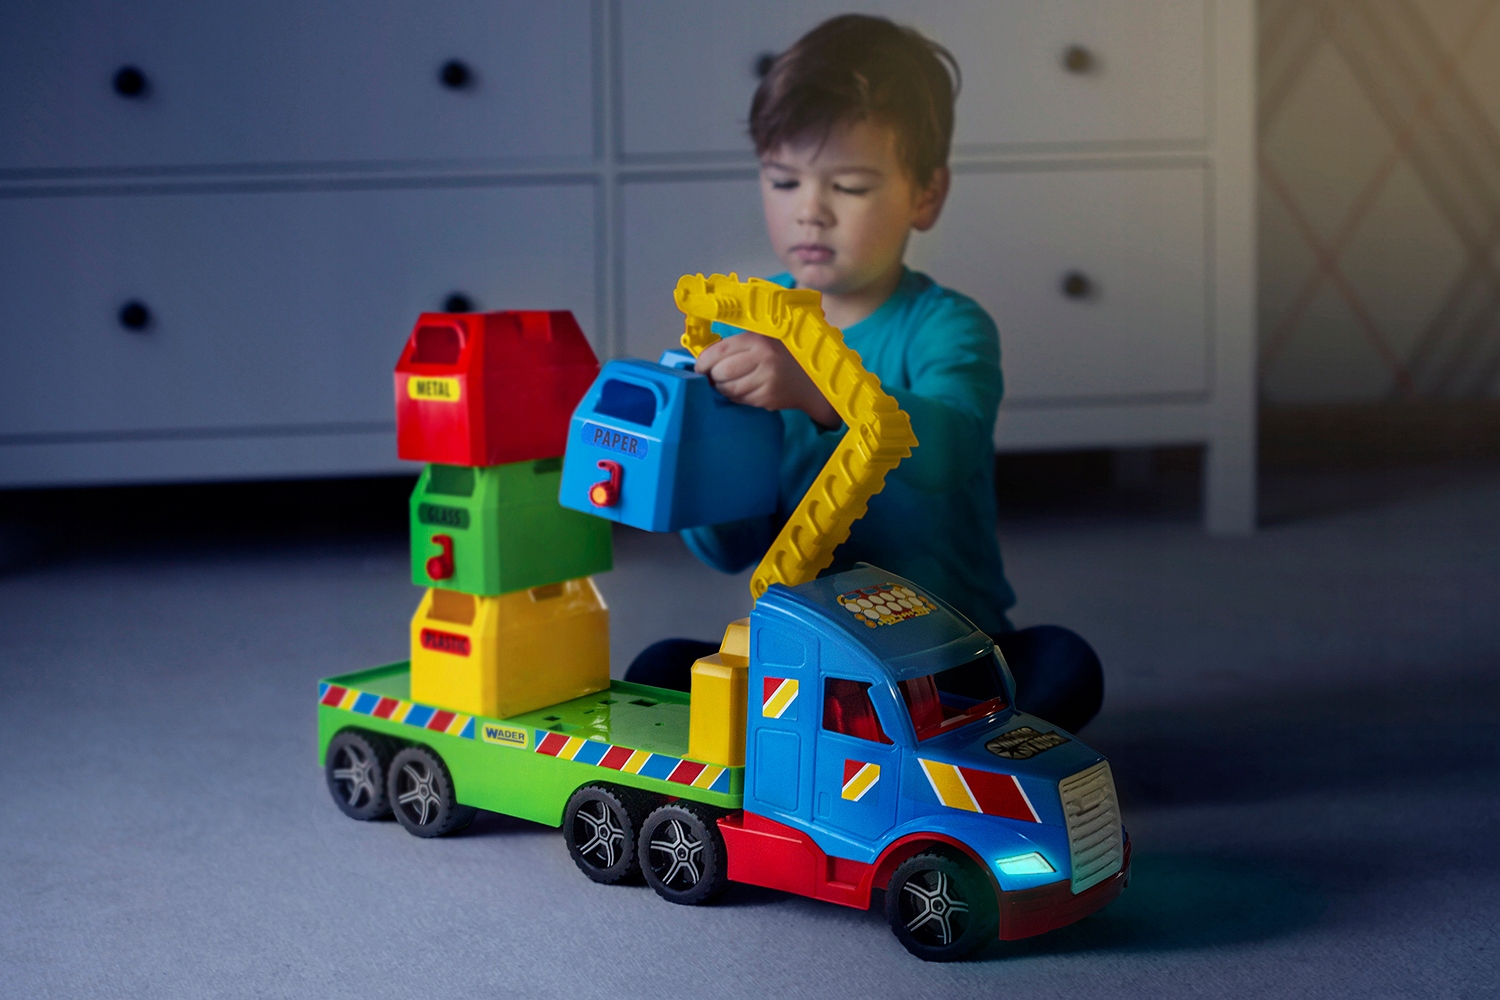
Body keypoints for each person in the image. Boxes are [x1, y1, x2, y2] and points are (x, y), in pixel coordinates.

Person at [625, 14, 1103, 734]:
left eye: (848, 185)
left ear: (925, 195)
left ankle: (901, 741)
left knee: (1065, 663)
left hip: (945, 659)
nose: (809, 211)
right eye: (783, 180)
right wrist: (692, 461)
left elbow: (949, 450)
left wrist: (819, 390)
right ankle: (856, 743)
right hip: (806, 662)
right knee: (660, 670)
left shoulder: (948, 326)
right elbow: (730, 547)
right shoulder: (745, 333)